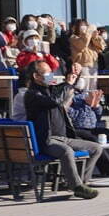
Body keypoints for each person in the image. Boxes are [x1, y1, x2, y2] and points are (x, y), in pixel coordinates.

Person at [23, 60, 101, 197]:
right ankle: (77, 186)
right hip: (47, 140)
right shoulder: (33, 95)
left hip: (64, 137)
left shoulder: (51, 90)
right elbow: (55, 100)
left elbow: (67, 89)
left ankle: (79, 182)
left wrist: (74, 75)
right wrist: (67, 84)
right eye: (47, 73)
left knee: (96, 148)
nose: (51, 75)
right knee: (67, 151)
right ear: (36, 76)